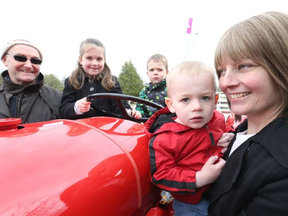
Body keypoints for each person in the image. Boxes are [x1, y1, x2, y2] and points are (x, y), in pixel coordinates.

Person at [208, 11, 288, 216]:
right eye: (221, 71)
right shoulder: (236, 135)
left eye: (243, 66)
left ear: (281, 66)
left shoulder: (281, 167)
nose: (225, 83)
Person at [146, 61, 234, 216]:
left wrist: (230, 136)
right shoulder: (164, 139)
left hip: (225, 190)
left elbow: (228, 129)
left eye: (205, 98)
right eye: (186, 100)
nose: (197, 107)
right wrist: (199, 178)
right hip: (192, 201)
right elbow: (161, 174)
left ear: (215, 100)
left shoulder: (218, 119)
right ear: (171, 105)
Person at [60, 38, 140, 120]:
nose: (94, 63)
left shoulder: (112, 81)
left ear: (104, 60)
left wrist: (130, 112)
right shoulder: (72, 81)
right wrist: (76, 107)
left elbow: (120, 106)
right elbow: (63, 110)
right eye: (89, 58)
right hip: (81, 129)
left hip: (107, 128)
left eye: (99, 59)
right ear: (81, 60)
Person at [0, 39, 62, 123]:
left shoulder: (60, 99)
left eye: (35, 61)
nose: (29, 65)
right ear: (4, 60)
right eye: (20, 58)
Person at [136, 54, 168, 118]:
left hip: (164, 122)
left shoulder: (170, 88)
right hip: (146, 121)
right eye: (151, 70)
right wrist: (139, 113)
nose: (155, 73)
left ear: (166, 72)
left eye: (159, 70)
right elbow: (140, 106)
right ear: (147, 73)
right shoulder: (145, 89)